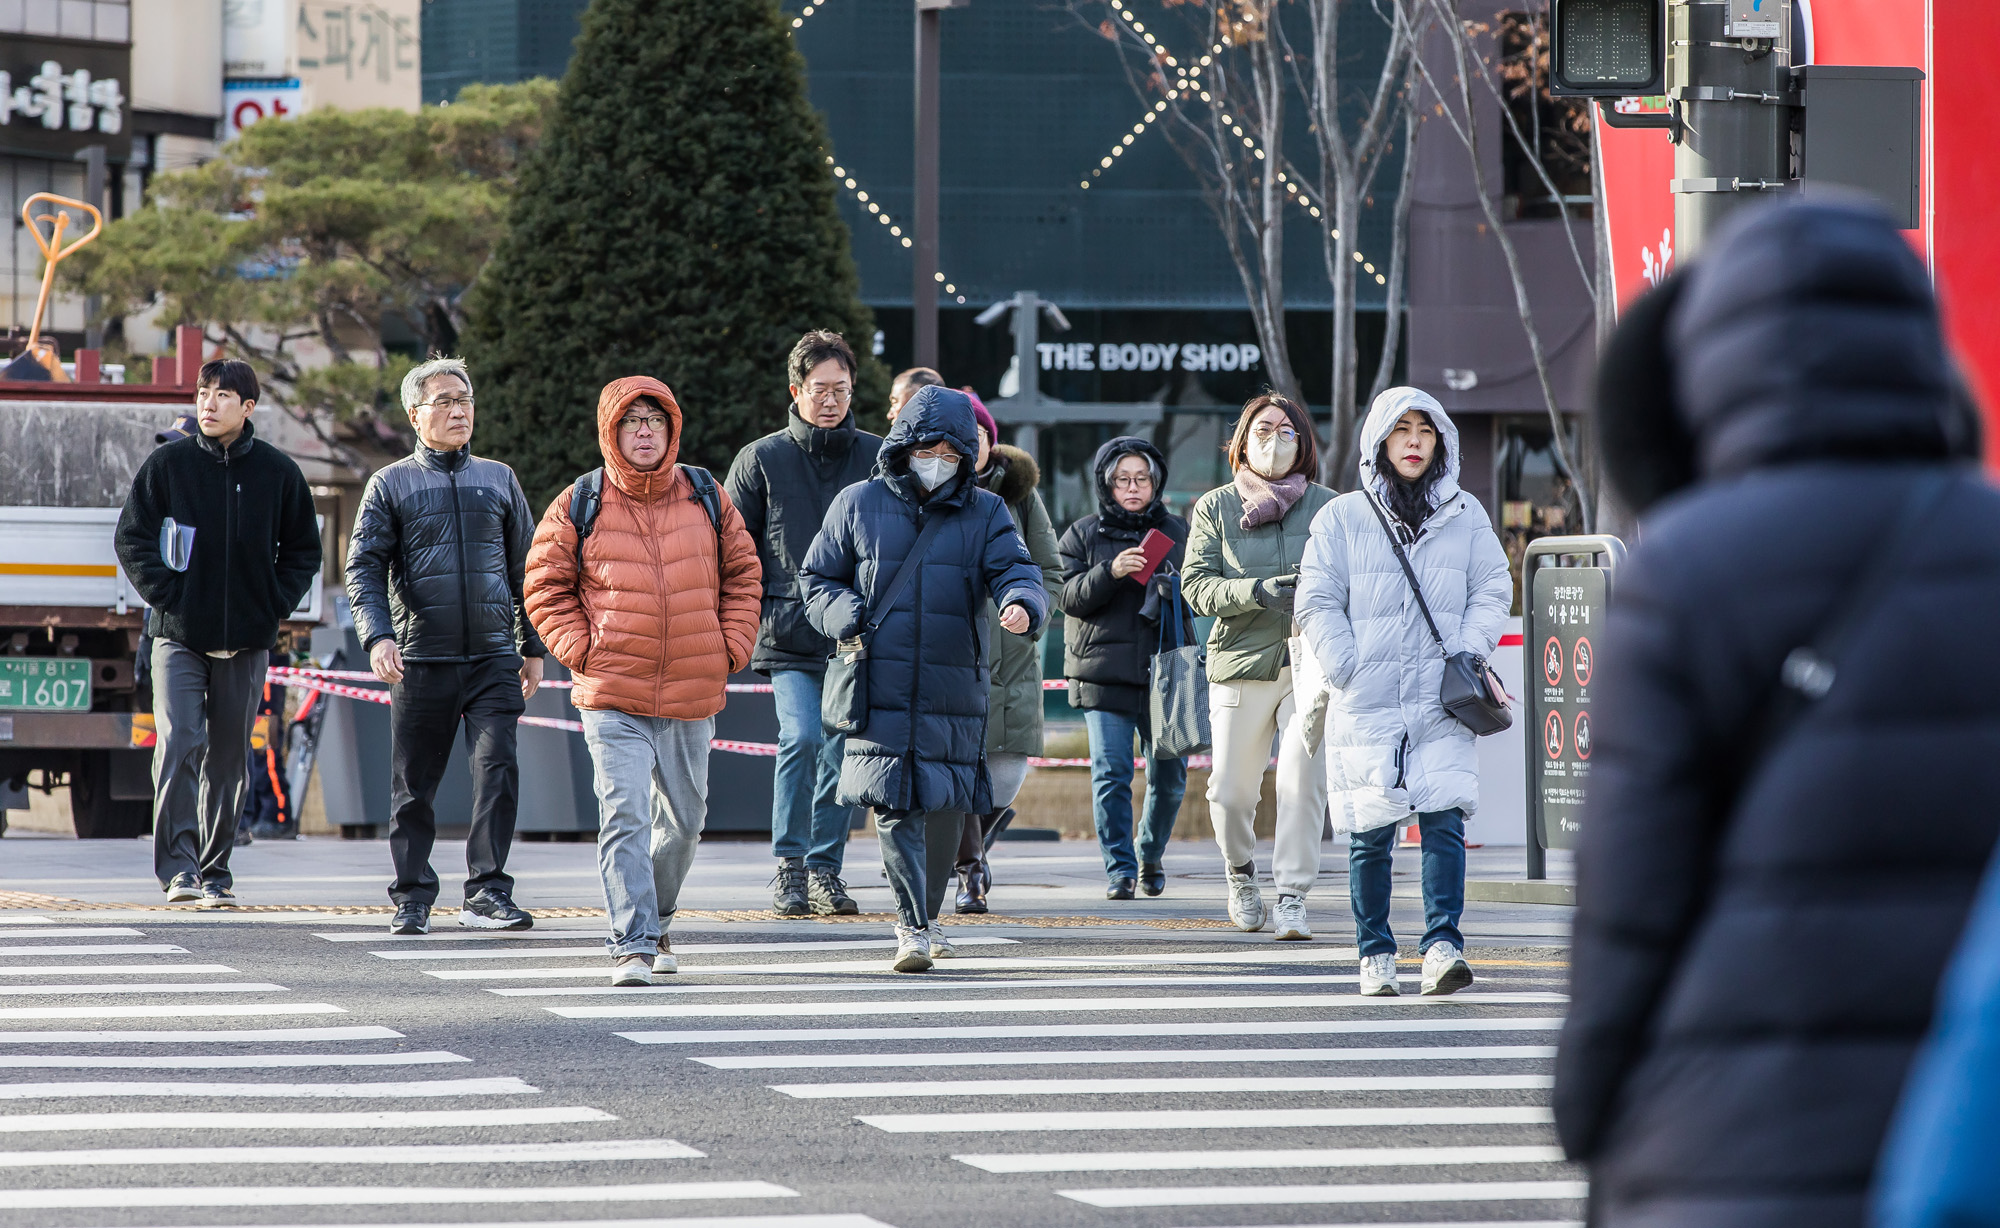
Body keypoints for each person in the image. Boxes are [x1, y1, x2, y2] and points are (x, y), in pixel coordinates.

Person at [1553, 199, 2000, 1228]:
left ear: (1708, 366)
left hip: (1733, 1138)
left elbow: (1627, 896)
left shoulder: (1681, 567)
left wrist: (1588, 1107)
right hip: (1962, 1113)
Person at [801, 384, 1048, 972]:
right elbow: (816, 580)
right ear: (903, 446)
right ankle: (912, 924)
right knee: (893, 805)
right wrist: (844, 615)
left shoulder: (986, 510)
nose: (939, 461)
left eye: (951, 452)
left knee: (944, 807)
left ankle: (927, 914)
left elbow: (1019, 567)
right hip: (878, 681)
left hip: (951, 684)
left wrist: (1022, 602)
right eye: (927, 448)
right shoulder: (857, 503)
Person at [525, 377, 761, 986]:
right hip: (612, 691)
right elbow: (544, 587)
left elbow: (744, 574)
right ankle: (631, 942)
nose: (645, 431)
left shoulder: (707, 494)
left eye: (656, 420)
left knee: (684, 821)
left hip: (691, 687)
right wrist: (583, 650)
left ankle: (654, 921)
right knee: (624, 812)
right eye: (632, 422)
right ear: (612, 431)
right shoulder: (581, 500)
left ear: (672, 428)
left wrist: (731, 646)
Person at [1295, 387, 1511, 997]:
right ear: (1379, 441)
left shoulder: (1465, 513)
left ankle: (1443, 946)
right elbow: (1315, 597)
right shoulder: (1342, 517)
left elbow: (1493, 587)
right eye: (1401, 430)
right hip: (1369, 695)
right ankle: (1376, 953)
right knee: (1371, 830)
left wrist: (1469, 652)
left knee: (1444, 820)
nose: (1414, 441)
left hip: (1441, 695)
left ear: (1441, 440)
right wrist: (1346, 666)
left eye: (1425, 430)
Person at [346, 356, 546, 935]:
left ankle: (487, 891)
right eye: (444, 401)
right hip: (419, 659)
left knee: (498, 770)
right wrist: (378, 636)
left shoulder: (499, 477)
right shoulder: (390, 483)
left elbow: (526, 569)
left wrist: (531, 647)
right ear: (415, 414)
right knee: (414, 787)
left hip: (491, 657)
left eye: (466, 400)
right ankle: (412, 896)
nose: (459, 411)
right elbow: (362, 567)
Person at [115, 359, 321, 906]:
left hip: (248, 639)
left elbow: (304, 551)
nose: (208, 404)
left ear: (247, 408)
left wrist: (272, 603)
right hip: (178, 634)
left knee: (229, 758)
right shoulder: (168, 465)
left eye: (222, 396)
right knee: (181, 741)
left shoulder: (278, 473)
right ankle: (178, 869)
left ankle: (216, 871)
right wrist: (169, 595)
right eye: (203, 393)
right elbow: (132, 538)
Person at [724, 331, 881, 917]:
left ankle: (826, 869)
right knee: (803, 737)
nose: (831, 400)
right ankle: (790, 866)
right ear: (796, 391)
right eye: (820, 390)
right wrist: (736, 624)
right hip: (786, 630)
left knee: (842, 747)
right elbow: (732, 550)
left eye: (841, 389)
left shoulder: (877, 456)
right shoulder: (761, 459)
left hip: (855, 633)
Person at [1183, 393, 1335, 937]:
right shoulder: (1215, 507)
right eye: (1264, 430)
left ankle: (1292, 894)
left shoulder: (1329, 505)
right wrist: (1257, 591)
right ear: (1242, 441)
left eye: (1287, 431)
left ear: (1304, 443)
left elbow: (1356, 582)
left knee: (1301, 782)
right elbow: (1196, 587)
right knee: (1230, 790)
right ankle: (1240, 872)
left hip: (1310, 664)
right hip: (1240, 662)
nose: (1275, 440)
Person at [1057, 436, 1194, 901]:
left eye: (1141, 478)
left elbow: (1203, 590)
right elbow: (1067, 598)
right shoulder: (1082, 534)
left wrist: (1175, 591)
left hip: (1167, 673)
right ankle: (1120, 869)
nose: (1132, 487)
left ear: (1156, 483)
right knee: (1111, 772)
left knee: (1171, 776)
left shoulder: (1179, 533)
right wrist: (1110, 571)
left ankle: (1149, 853)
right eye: (1122, 480)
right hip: (1102, 671)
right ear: (1106, 484)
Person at [957, 393, 1062, 913]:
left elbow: (1050, 571)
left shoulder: (1020, 495)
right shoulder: (926, 493)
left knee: (1004, 776)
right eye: (962, 433)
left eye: (979, 434)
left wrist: (1031, 613)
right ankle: (969, 872)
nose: (970, 442)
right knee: (954, 769)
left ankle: (971, 854)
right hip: (950, 652)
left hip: (1012, 655)